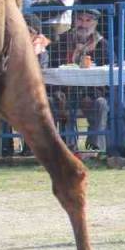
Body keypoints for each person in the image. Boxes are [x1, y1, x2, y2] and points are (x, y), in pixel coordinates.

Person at [53, 9, 109, 150]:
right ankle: (65, 147)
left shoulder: (103, 44)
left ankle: (95, 147)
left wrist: (91, 95)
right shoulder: (61, 41)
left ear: (95, 23)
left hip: (92, 93)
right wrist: (58, 91)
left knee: (101, 103)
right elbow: (51, 69)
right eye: (80, 19)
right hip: (65, 91)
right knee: (57, 100)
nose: (83, 24)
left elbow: (109, 74)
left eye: (88, 20)